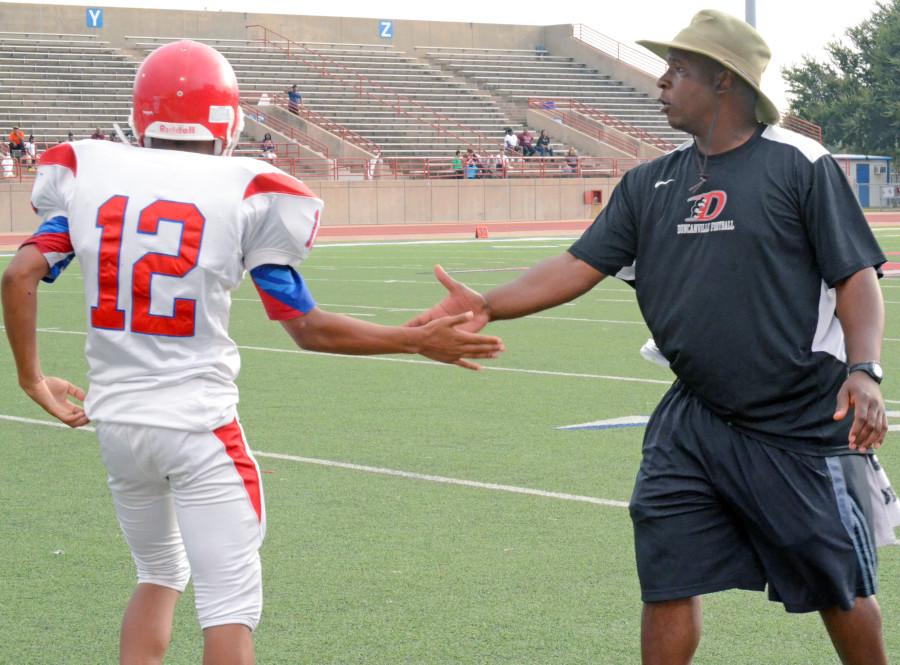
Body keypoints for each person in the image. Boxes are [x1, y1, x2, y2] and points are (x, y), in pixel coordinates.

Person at [407, 10, 889, 665]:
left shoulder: (799, 166)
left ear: (724, 81)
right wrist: (487, 303)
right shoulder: (649, 183)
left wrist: (864, 369)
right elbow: (577, 265)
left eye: (678, 70)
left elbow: (856, 277)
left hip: (798, 415)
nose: (662, 82)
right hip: (695, 416)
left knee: (839, 582)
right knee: (667, 571)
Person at [1, 40, 504, 665]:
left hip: (118, 423)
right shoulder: (248, 189)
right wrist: (414, 340)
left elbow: (20, 273)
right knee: (229, 609)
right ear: (228, 121)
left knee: (158, 574)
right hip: (199, 428)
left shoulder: (89, 170)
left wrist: (31, 378)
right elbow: (306, 327)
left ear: (141, 115)